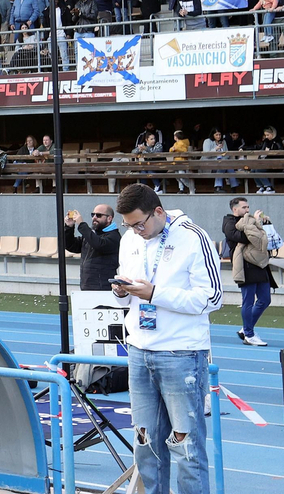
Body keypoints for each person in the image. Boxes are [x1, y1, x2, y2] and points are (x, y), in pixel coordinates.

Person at [112, 183, 220, 494]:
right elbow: (125, 298)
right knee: (145, 443)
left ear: (158, 212)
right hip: (138, 349)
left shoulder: (193, 237)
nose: (134, 231)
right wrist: (120, 291)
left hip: (181, 354)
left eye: (139, 224)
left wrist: (155, 294)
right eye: (128, 225)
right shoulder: (129, 239)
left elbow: (212, 297)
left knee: (186, 447)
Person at [221, 197, 274, 346]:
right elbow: (242, 237)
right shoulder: (229, 222)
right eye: (244, 208)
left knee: (265, 299)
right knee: (248, 300)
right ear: (235, 209)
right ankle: (249, 334)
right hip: (244, 265)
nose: (247, 210)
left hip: (260, 263)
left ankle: (246, 329)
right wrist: (254, 223)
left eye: (248, 207)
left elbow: (261, 238)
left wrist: (261, 224)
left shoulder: (248, 220)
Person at [62, 204, 119, 291]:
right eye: (93, 215)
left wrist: (81, 224)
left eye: (98, 215)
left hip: (103, 287)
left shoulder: (114, 236)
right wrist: (69, 227)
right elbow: (71, 246)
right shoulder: (92, 236)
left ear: (109, 218)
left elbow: (99, 245)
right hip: (87, 285)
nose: (94, 217)